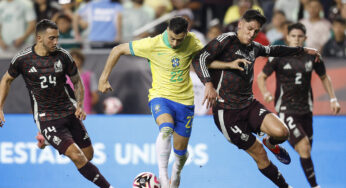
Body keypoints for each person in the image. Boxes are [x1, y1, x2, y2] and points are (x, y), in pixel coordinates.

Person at [191, 9, 321, 188]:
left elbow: (275, 49)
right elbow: (200, 59)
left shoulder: (254, 48)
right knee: (259, 154)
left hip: (249, 104)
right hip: (227, 112)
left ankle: (270, 141)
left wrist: (303, 50)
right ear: (240, 24)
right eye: (249, 29)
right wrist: (208, 83)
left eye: (256, 31)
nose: (252, 34)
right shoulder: (227, 40)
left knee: (282, 133)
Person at [0, 19, 114, 188]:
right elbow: (6, 80)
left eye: (57, 38)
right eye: (51, 38)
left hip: (69, 110)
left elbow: (77, 81)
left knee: (88, 155)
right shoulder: (23, 59)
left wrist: (80, 105)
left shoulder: (63, 56)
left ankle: (45, 140)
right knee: (77, 156)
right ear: (39, 38)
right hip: (47, 117)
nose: (56, 42)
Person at [98, 17, 203, 188]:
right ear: (167, 31)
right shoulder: (152, 44)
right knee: (166, 128)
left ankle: (176, 174)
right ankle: (163, 177)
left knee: (180, 154)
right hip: (160, 97)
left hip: (185, 102)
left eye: (179, 39)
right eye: (172, 38)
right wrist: (104, 78)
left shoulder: (193, 42)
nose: (175, 43)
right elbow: (117, 49)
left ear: (187, 34)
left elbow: (208, 59)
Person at [257, 22, 341, 188]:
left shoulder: (313, 56)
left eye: (299, 36)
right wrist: (265, 92)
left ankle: (271, 141)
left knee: (306, 149)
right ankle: (315, 186)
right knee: (304, 148)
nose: (296, 39)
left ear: (305, 38)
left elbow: (324, 77)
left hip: (306, 111)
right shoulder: (279, 55)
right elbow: (261, 77)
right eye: (293, 36)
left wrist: (333, 98)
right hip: (286, 109)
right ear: (287, 37)